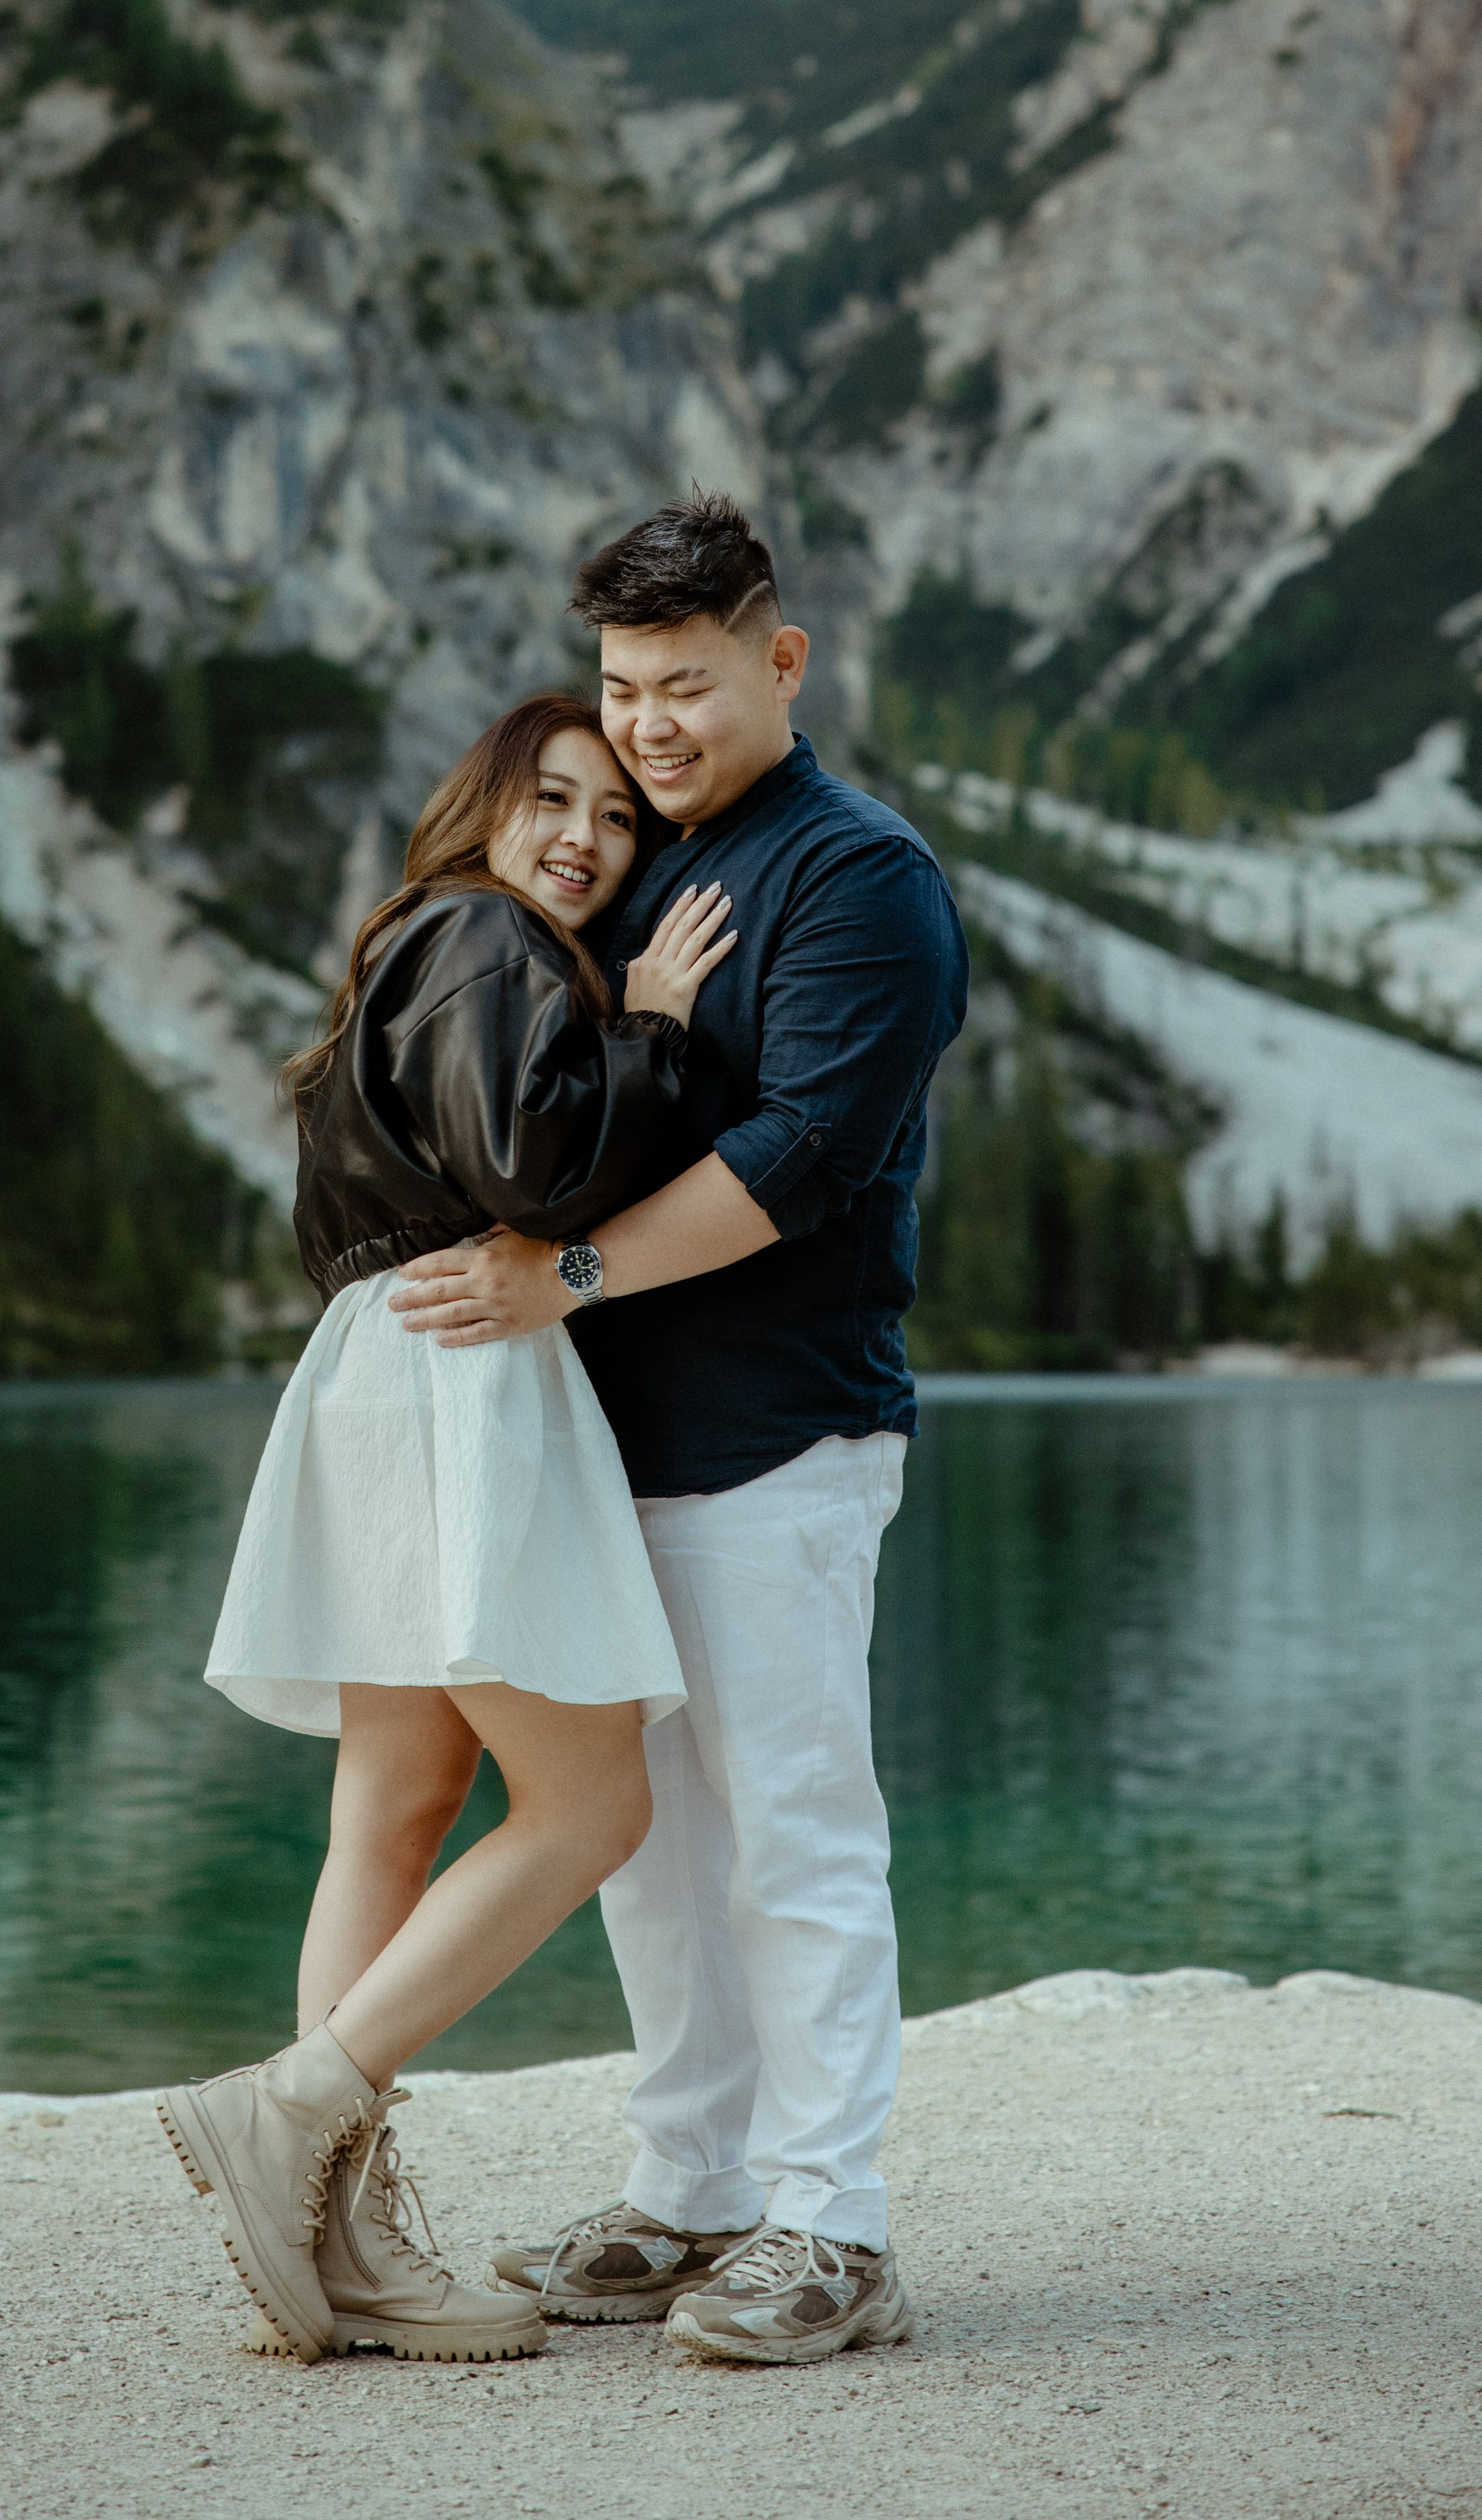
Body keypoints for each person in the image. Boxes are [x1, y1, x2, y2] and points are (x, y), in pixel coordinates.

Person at [391, 496, 968, 2369]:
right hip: (600, 1447)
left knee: (790, 1830)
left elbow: (792, 1164)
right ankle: (691, 2180)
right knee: (643, 1840)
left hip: (776, 1437)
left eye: (685, 683)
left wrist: (557, 1274)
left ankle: (831, 2220)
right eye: (624, 686)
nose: (642, 725)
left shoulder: (861, 877)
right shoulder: (625, 860)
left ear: (778, 661)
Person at [158, 689, 740, 2367]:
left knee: (395, 1803)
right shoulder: (486, 935)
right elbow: (532, 1161)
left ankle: (334, 2233)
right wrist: (655, 1036)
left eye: (619, 816)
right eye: (551, 796)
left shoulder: (419, 942)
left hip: (380, 1362)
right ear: (481, 806)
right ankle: (297, 2111)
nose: (585, 834)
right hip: (464, 1372)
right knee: (593, 1803)